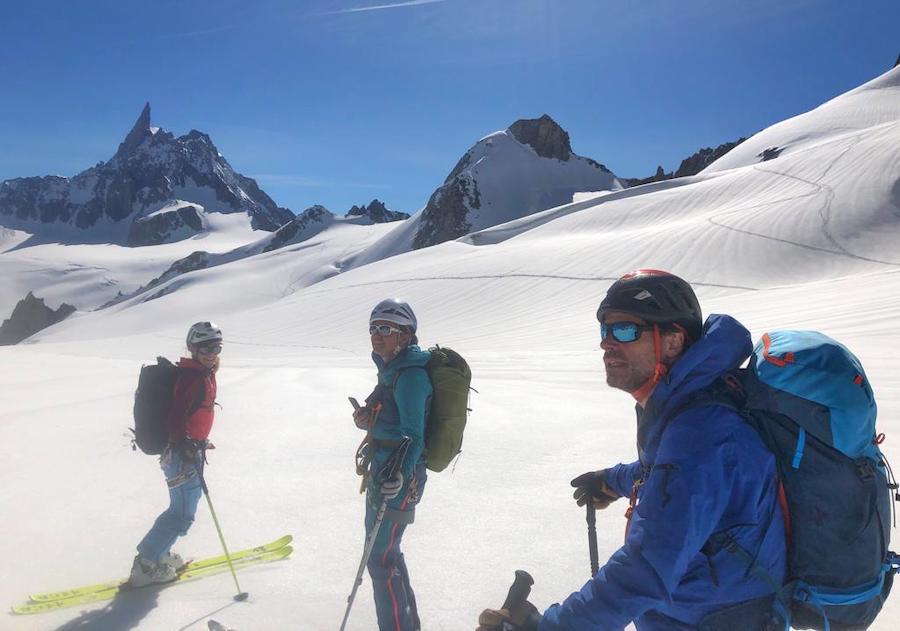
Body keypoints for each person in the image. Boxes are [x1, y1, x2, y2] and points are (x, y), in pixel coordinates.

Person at [477, 270, 787, 631]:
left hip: (717, 618)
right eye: (605, 331)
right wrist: (612, 480)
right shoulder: (690, 406)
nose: (607, 343)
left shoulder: (702, 429)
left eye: (625, 330)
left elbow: (647, 567)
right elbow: (665, 475)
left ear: (673, 341)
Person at [353, 299, 432, 631]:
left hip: (398, 477)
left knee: (380, 558)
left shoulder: (411, 376)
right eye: (373, 327)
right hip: (384, 471)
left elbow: (414, 435)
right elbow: (388, 417)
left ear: (405, 335)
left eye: (386, 328)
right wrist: (365, 419)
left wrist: (400, 475)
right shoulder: (390, 370)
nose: (377, 334)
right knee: (387, 554)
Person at [129, 321, 223, 586]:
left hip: (189, 450)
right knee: (181, 514)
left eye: (216, 346)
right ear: (193, 347)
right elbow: (175, 417)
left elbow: (194, 414)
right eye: (204, 346)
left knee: (180, 508)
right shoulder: (192, 377)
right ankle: (147, 564)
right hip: (182, 455)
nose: (211, 351)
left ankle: (159, 553)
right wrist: (185, 445)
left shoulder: (202, 373)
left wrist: (198, 441)